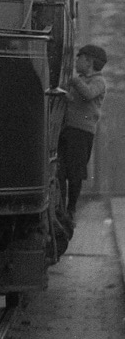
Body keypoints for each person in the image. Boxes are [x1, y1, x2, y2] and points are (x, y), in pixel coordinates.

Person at [58, 44, 108, 225]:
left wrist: (72, 81)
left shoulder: (99, 82)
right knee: (60, 171)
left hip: (82, 132)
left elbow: (88, 95)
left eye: (80, 58)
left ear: (89, 62)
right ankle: (61, 209)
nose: (76, 62)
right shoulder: (81, 79)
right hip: (69, 129)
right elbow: (76, 100)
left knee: (75, 172)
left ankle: (71, 209)